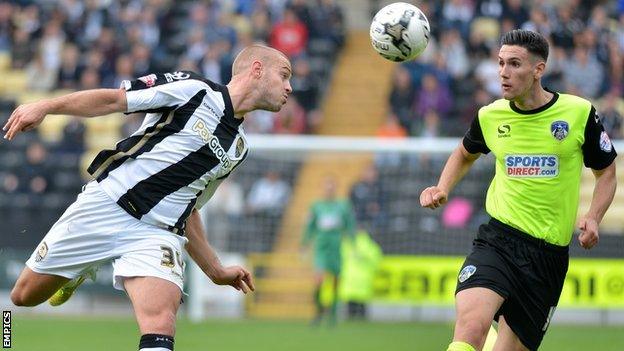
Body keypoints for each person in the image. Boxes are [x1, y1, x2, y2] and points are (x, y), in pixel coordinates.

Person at [5, 44, 293, 351]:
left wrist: (215, 269)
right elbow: (115, 100)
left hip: (157, 234)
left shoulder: (238, 148)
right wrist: (47, 106)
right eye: (284, 75)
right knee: (23, 297)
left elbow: (190, 207)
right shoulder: (194, 89)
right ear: (257, 69)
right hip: (107, 204)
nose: (289, 87)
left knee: (161, 323)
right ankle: (77, 273)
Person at [420, 30, 617, 351]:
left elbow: (606, 171)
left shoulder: (578, 114)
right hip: (497, 241)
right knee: (470, 329)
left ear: (538, 70)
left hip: (547, 257)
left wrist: (594, 216)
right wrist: (442, 187)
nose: (503, 72)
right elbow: (464, 152)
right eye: (500, 63)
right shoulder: (490, 116)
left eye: (514, 64)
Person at [301, 175, 356, 326]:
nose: (329, 189)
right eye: (326, 186)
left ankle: (332, 313)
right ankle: (318, 312)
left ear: (335, 188)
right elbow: (310, 226)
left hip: (336, 245)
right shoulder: (316, 206)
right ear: (323, 188)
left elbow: (349, 224)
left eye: (331, 186)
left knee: (336, 280)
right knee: (318, 279)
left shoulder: (343, 205)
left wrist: (352, 242)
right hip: (321, 246)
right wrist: (304, 243)